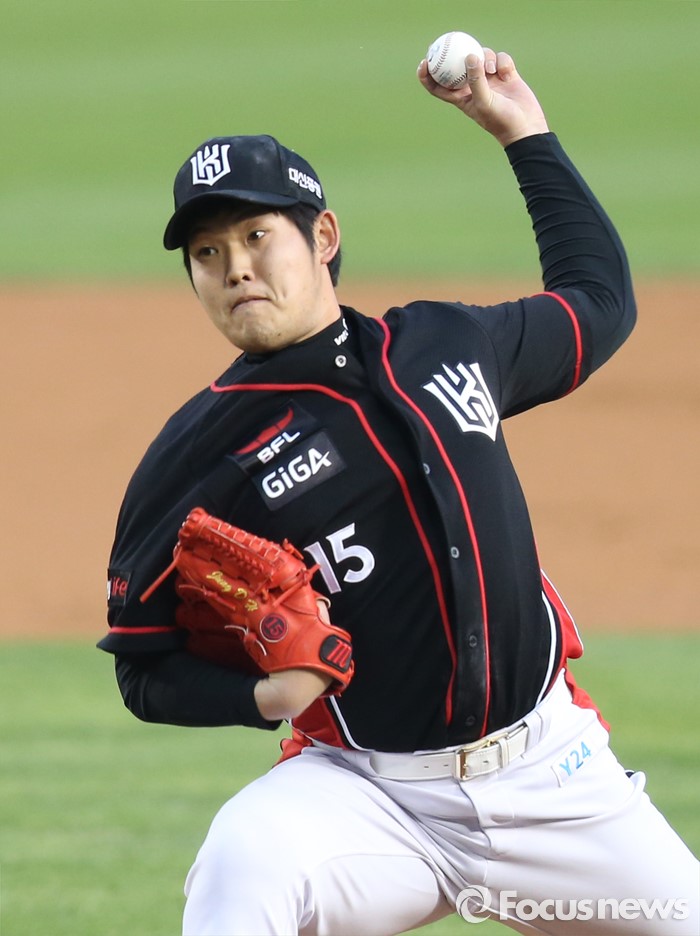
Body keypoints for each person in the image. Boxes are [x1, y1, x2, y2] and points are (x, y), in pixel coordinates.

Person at [99, 44, 699, 936]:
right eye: (207, 251)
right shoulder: (195, 459)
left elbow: (599, 301)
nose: (235, 268)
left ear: (323, 239)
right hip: (369, 799)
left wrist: (524, 134)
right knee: (244, 859)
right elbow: (142, 669)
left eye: (257, 236)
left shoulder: (447, 345)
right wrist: (262, 699)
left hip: (556, 785)